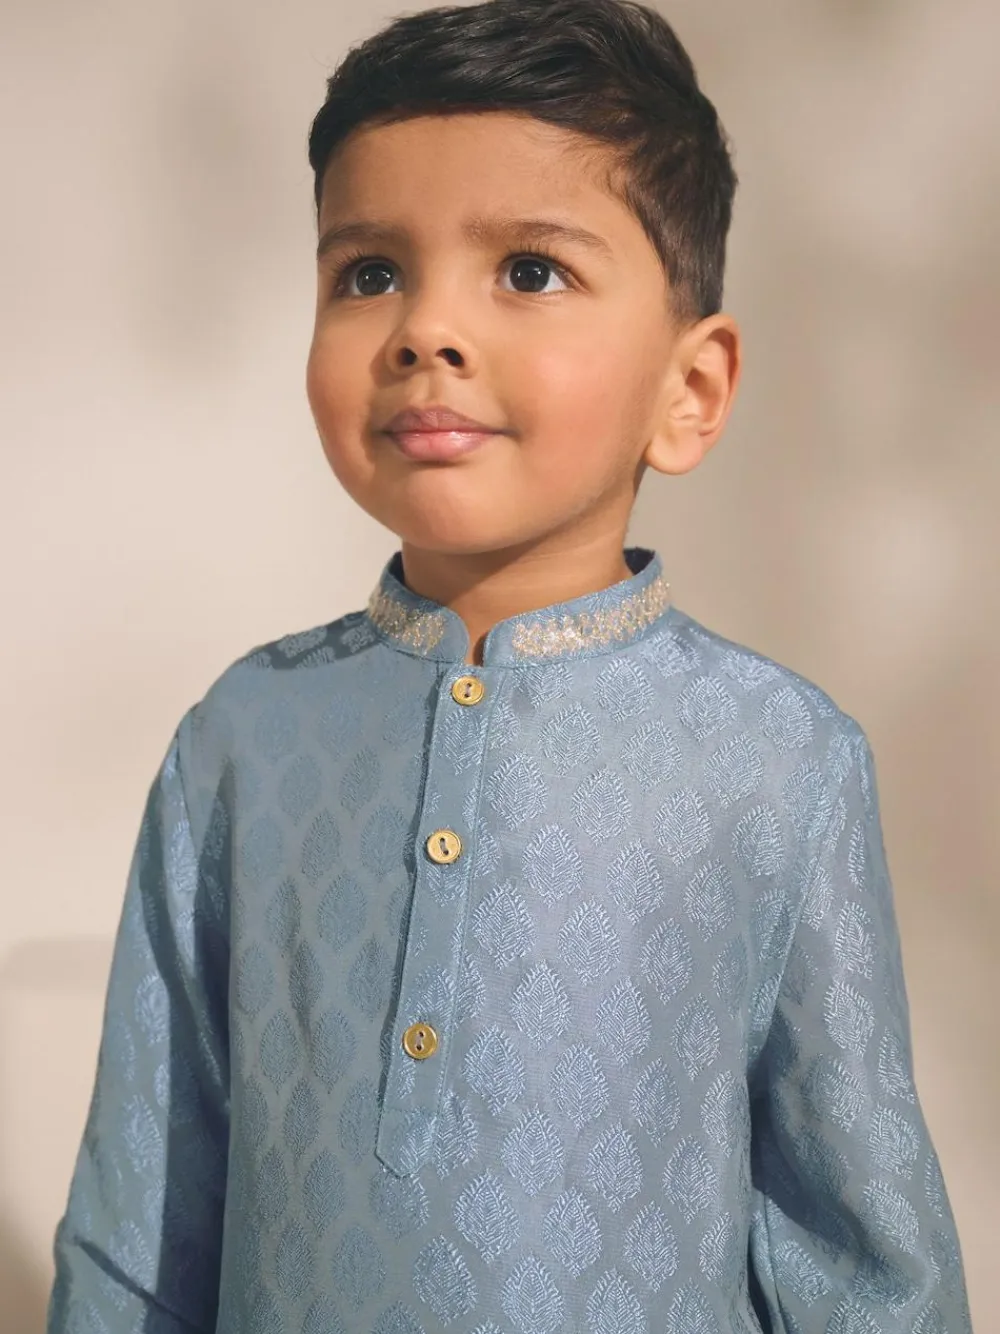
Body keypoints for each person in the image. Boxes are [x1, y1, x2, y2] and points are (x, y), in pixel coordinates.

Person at [46, 0, 974, 1330]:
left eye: (529, 271)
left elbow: (864, 1260)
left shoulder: (779, 758)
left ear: (691, 390)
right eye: (370, 271)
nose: (426, 330)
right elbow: (137, 1224)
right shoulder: (243, 738)